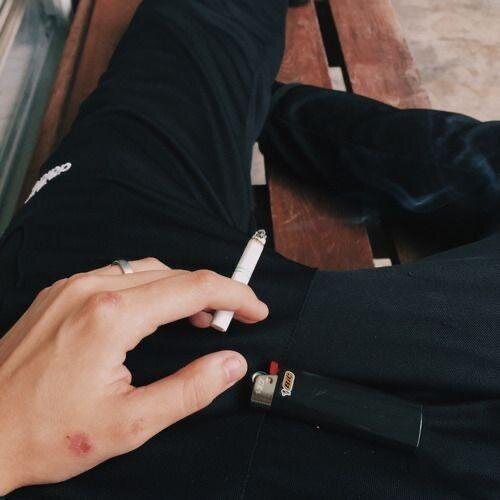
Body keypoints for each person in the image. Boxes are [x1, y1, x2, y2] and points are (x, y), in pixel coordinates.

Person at [0, 0, 498, 498]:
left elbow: (459, 161)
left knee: (192, 52)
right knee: (194, 54)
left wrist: (9, 437)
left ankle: (250, 90)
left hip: (93, 412)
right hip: (141, 314)